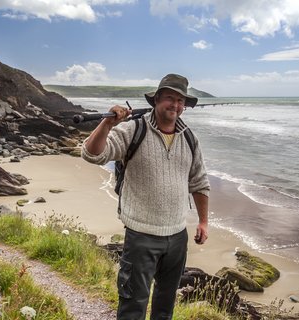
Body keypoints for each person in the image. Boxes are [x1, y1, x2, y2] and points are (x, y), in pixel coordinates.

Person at [81, 73, 210, 320]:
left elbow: (199, 182)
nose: (175, 105)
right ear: (156, 100)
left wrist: (203, 222)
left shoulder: (190, 139)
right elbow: (92, 154)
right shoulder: (133, 130)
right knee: (133, 305)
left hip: (177, 238)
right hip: (141, 236)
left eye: (180, 100)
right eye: (169, 98)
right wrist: (107, 124)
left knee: (165, 305)